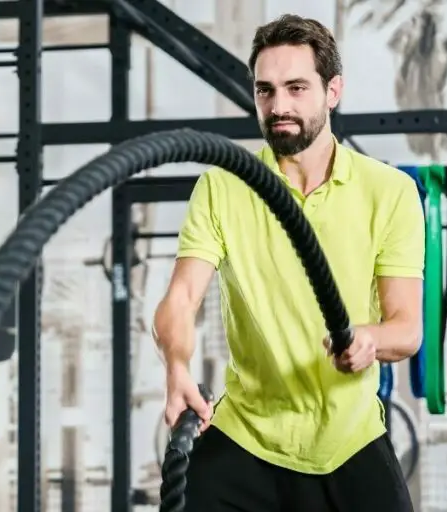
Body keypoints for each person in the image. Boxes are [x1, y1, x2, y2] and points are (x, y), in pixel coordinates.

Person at [153, 15, 423, 512]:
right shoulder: (224, 187)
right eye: (265, 90)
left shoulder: (391, 193)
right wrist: (176, 367)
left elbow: (406, 329)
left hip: (348, 437)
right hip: (248, 434)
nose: (278, 106)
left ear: (332, 90)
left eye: (297, 88)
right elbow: (181, 298)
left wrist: (369, 338)